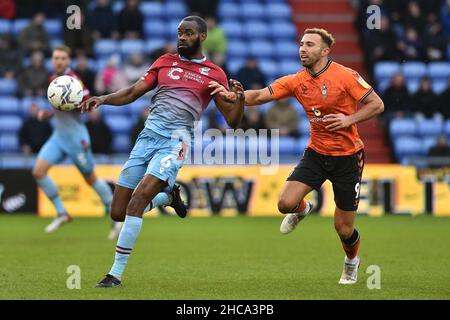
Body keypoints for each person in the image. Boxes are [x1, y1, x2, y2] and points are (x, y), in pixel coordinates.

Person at [80, 16, 244, 288]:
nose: (182, 37)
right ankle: (166, 198)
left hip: (175, 143)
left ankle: (115, 274)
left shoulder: (215, 73)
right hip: (146, 138)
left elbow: (233, 120)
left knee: (137, 201)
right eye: (179, 32)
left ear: (202, 37)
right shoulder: (165, 61)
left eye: (188, 33)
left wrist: (239, 101)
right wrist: (103, 99)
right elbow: (133, 91)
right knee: (118, 212)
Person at [212, 28, 384, 284]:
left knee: (343, 228)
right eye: (302, 44)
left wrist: (349, 118)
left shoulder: (346, 76)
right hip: (316, 153)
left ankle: (351, 261)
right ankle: (303, 209)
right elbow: (258, 96)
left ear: (325, 51)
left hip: (348, 157)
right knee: (285, 204)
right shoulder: (296, 80)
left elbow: (377, 104)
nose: (303, 49)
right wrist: (235, 96)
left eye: (310, 45)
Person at [31, 45, 118, 239]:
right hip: (58, 137)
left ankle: (115, 216)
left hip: (76, 139)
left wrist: (75, 105)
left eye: (62, 58)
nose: (59, 61)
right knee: (38, 172)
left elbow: (88, 106)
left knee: (90, 178)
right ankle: (62, 213)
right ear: (52, 61)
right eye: (56, 58)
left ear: (68, 61)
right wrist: (45, 114)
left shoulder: (75, 82)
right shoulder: (53, 80)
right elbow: (55, 109)